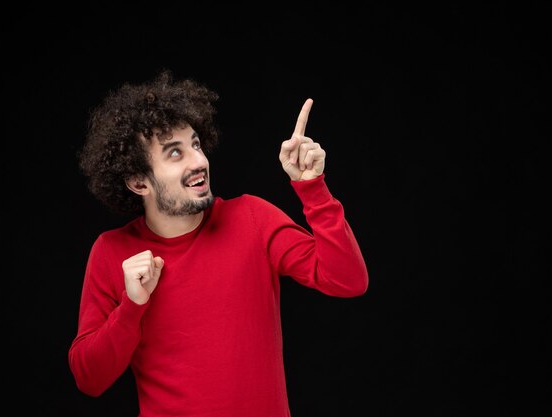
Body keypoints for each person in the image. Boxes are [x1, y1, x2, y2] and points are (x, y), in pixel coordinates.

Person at [68, 69, 369, 417]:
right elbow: (89, 379)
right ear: (139, 183)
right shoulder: (112, 251)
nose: (199, 162)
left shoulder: (252, 218)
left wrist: (312, 188)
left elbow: (348, 280)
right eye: (174, 153)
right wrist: (131, 307)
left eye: (195, 144)